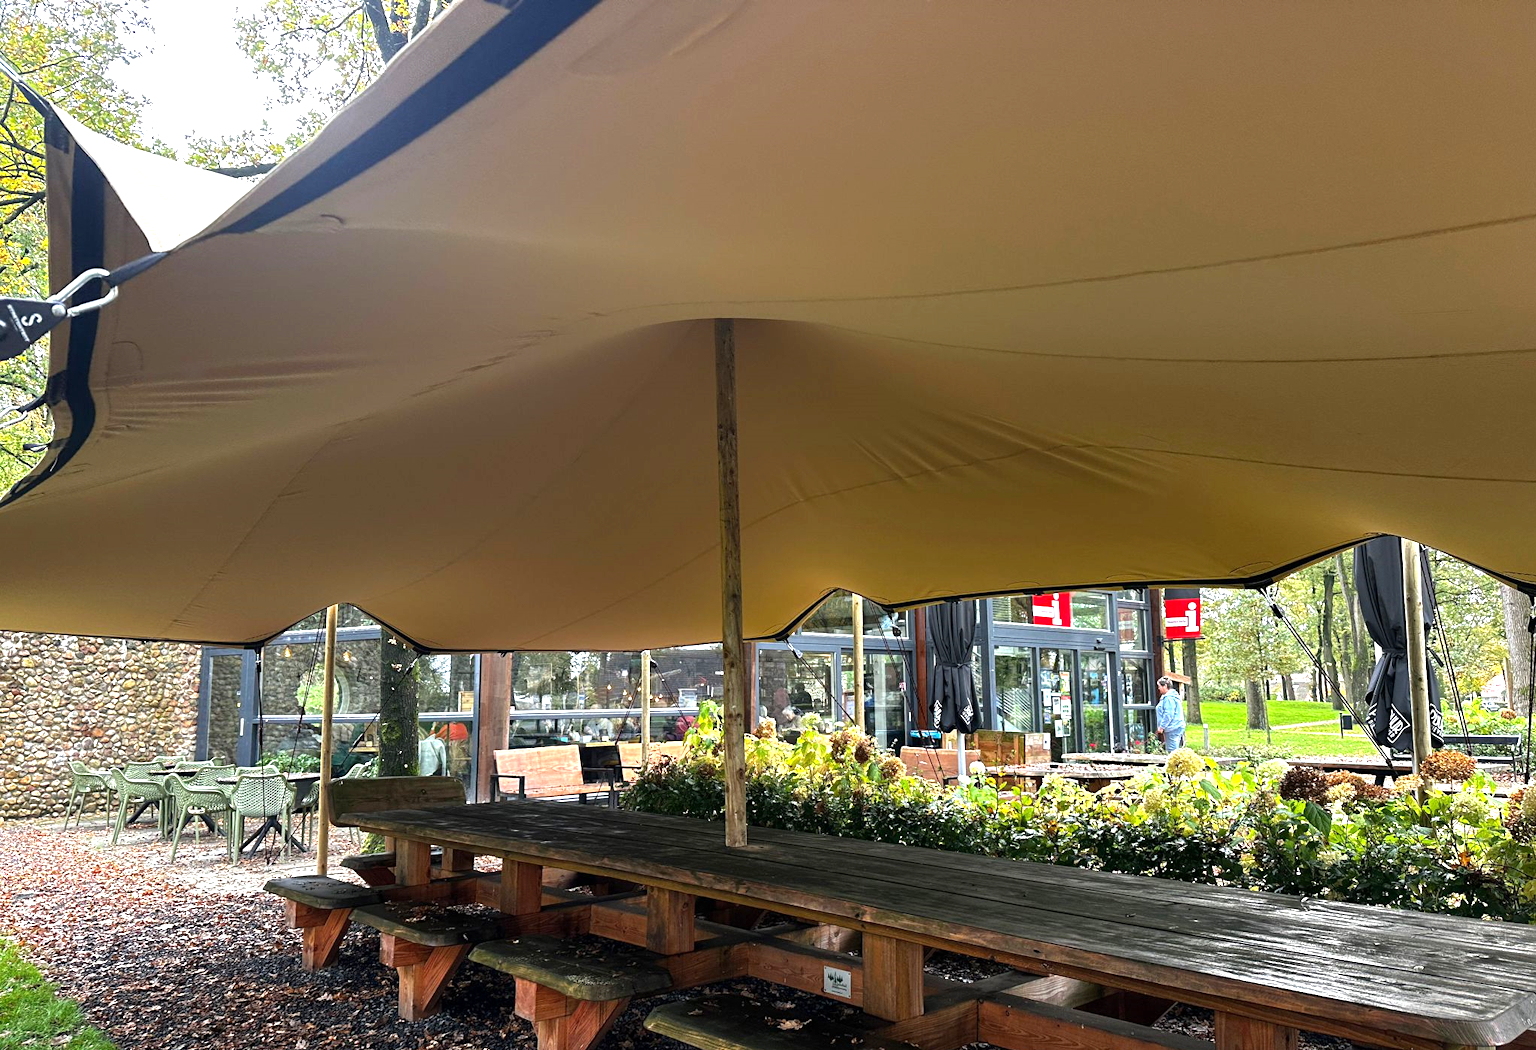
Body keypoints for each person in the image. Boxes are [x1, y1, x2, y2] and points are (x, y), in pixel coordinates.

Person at [1155, 676, 1186, 751]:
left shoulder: (1169, 698)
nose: (1158, 688)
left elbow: (1168, 714)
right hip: (1176, 726)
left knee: (1172, 751)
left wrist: (1161, 727)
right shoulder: (1172, 696)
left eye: (1159, 686)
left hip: (1172, 728)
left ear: (1165, 686)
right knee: (1175, 750)